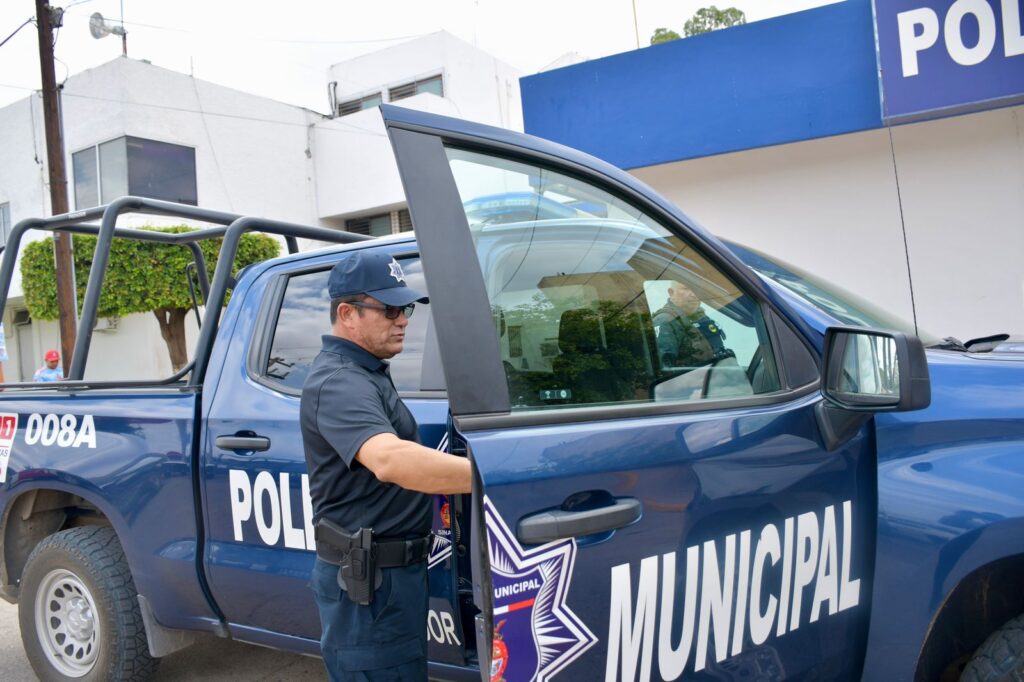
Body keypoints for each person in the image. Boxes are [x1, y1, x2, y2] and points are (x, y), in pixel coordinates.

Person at [300, 251, 471, 681]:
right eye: (390, 309)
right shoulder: (340, 380)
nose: (404, 320)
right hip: (370, 591)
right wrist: (492, 477)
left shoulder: (367, 371)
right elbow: (389, 459)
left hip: (390, 582)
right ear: (347, 314)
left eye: (406, 308)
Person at [653, 281, 729, 368]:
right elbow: (666, 370)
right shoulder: (665, 321)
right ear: (671, 292)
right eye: (686, 289)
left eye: (696, 289)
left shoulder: (702, 317)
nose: (693, 294)